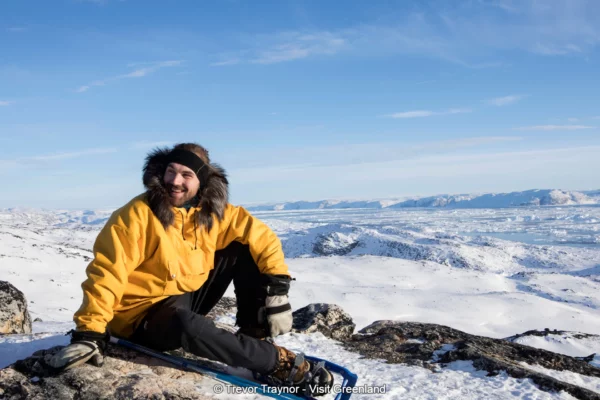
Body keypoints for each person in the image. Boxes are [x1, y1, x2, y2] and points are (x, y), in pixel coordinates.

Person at [47, 142, 334, 395]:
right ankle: (278, 363)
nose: (175, 181)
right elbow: (106, 272)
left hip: (183, 295)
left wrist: (278, 288)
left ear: (203, 182)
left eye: (187, 175)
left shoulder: (210, 213)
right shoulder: (135, 216)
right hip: (140, 317)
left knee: (244, 248)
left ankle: (254, 335)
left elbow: (260, 235)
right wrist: (90, 332)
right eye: (171, 171)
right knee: (188, 326)